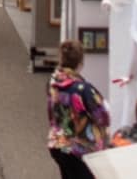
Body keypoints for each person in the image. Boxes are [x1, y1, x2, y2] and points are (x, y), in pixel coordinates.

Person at [46, 40, 111, 178]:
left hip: (58, 143)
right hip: (79, 149)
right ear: (80, 64)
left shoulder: (52, 83)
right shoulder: (83, 89)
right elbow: (103, 117)